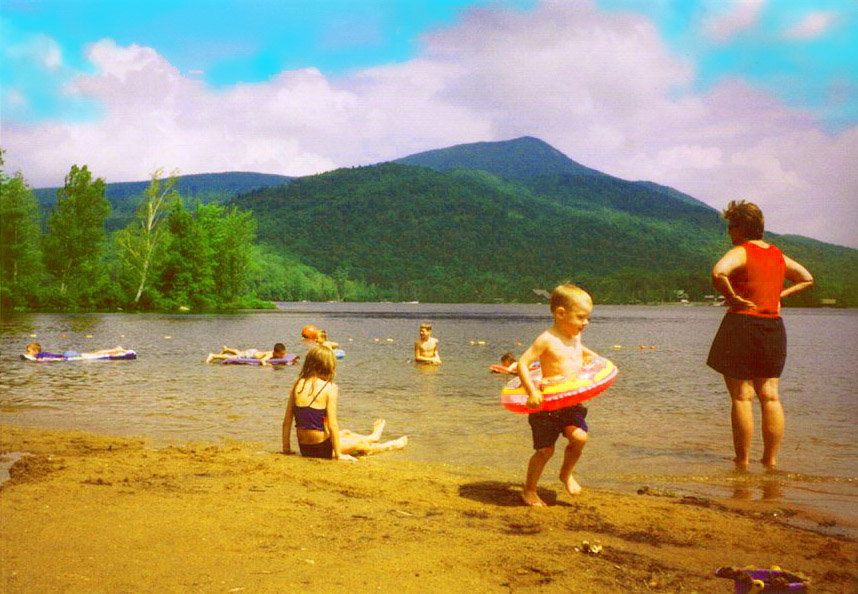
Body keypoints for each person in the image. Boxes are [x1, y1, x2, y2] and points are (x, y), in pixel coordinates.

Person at [707, 200, 813, 470]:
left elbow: (719, 272)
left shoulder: (742, 251)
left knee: (742, 396)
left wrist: (732, 297)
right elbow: (806, 278)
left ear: (742, 228)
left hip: (743, 324)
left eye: (732, 227)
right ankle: (770, 461)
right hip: (772, 327)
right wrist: (779, 295)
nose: (730, 232)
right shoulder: (778, 255)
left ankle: (742, 461)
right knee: (770, 396)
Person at [516, 284, 600, 506]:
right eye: (581, 317)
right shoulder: (546, 339)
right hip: (547, 405)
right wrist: (531, 392)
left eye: (587, 317)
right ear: (561, 314)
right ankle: (529, 490)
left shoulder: (574, 336)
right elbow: (523, 364)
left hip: (571, 402)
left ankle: (566, 473)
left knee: (580, 437)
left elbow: (579, 351)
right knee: (545, 450)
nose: (586, 323)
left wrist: (597, 359)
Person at [282, 345, 408, 460]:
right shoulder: (329, 388)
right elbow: (332, 424)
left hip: (305, 448)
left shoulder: (297, 385)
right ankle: (390, 445)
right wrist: (339, 454)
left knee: (347, 433)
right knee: (360, 444)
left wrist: (286, 449)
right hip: (321, 450)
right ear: (327, 365)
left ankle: (373, 437)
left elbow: (287, 421)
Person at [206, 343, 287, 365]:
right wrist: (266, 365)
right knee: (234, 358)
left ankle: (227, 349)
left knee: (240, 353)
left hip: (253, 352)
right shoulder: (271, 355)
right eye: (282, 354)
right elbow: (262, 360)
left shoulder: (274, 352)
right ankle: (213, 355)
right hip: (251, 355)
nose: (283, 355)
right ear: (276, 353)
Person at [25, 342, 130, 358]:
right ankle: (116, 350)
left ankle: (117, 350)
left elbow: (51, 357)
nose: (31, 353)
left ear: (37, 351)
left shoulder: (40, 356)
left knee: (94, 355)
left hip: (68, 356)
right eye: (30, 351)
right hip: (67, 354)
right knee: (94, 354)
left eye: (32, 351)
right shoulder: (39, 355)